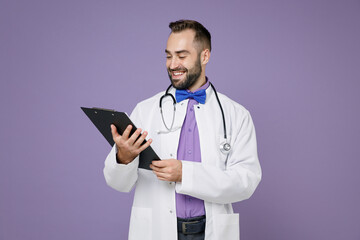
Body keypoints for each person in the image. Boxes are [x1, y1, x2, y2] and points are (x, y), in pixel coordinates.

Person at [104, 19, 262, 240]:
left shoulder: (236, 114)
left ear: (204, 56)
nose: (172, 64)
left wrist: (185, 174)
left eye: (181, 55)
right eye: (168, 56)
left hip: (210, 231)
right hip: (157, 230)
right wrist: (123, 157)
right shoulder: (145, 110)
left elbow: (246, 183)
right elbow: (117, 183)